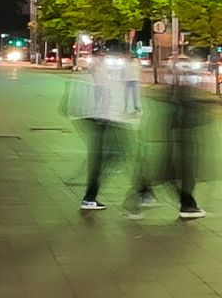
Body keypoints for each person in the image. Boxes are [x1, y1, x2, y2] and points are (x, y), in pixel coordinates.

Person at [130, 61, 208, 219]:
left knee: (168, 175)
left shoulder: (173, 93)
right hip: (178, 143)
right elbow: (181, 116)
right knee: (172, 174)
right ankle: (186, 205)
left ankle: (184, 204)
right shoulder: (181, 94)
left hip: (172, 142)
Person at [67, 53, 139, 211]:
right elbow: (103, 93)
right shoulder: (100, 71)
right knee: (116, 154)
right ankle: (141, 192)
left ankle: (90, 197)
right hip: (103, 119)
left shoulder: (90, 70)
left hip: (95, 118)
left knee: (104, 156)